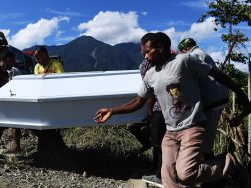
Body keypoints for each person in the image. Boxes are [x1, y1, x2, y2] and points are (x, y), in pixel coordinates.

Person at [94, 32, 250, 188]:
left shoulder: (184, 60)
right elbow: (138, 101)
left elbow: (218, 75)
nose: (145, 57)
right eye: (144, 53)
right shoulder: (150, 75)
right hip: (170, 131)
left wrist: (241, 95)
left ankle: (230, 162)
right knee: (168, 178)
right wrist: (112, 110)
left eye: (148, 52)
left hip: (192, 126)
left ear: (160, 48)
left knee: (186, 173)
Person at [178, 38, 229, 159]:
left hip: (211, 100)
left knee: (205, 137)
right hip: (218, 97)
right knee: (208, 134)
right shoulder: (203, 53)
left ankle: (212, 168)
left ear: (185, 49)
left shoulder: (194, 55)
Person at [135, 33, 165, 187]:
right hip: (175, 110)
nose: (144, 54)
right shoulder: (173, 59)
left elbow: (149, 94)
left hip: (159, 109)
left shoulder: (145, 66)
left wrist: (150, 111)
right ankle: (161, 172)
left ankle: (159, 173)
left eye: (146, 50)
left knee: (157, 143)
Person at [33, 46, 65, 150]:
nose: (38, 61)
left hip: (54, 97)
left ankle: (56, 147)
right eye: (37, 59)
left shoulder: (56, 64)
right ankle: (47, 147)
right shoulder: (37, 67)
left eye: (39, 58)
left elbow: (62, 80)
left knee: (54, 123)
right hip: (42, 99)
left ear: (45, 55)